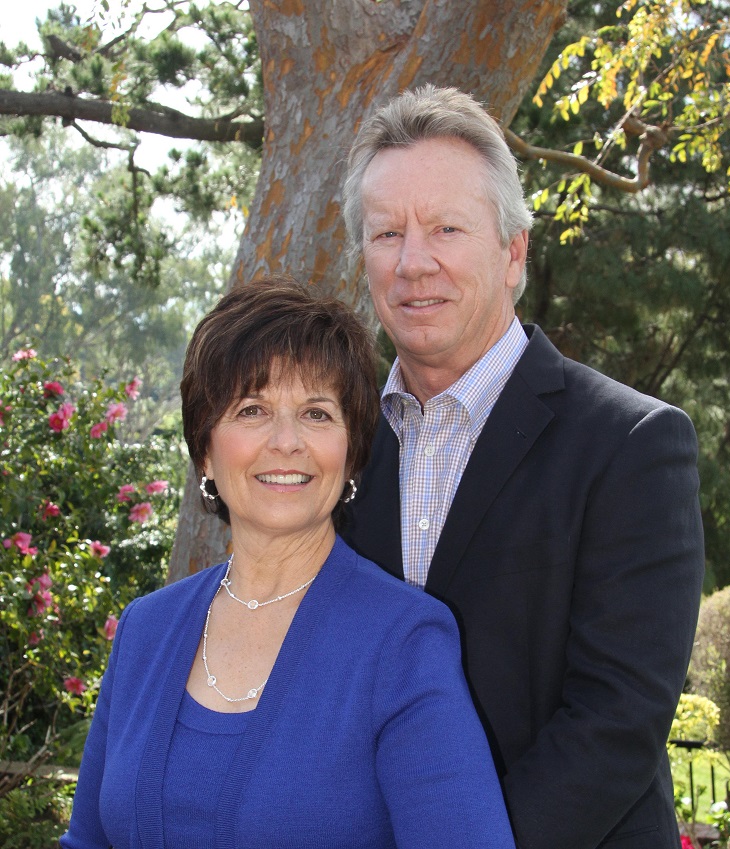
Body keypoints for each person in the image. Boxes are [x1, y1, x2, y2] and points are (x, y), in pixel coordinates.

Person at [340, 85, 705, 849]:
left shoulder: (632, 444)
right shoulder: (342, 448)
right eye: (387, 233)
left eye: (446, 228)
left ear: (514, 252)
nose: (413, 262)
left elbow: (616, 721)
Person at [60, 275, 515, 849]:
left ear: (351, 454)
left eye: (317, 414)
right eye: (252, 409)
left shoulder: (404, 643)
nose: (286, 441)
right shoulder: (145, 631)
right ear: (205, 449)